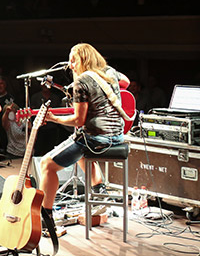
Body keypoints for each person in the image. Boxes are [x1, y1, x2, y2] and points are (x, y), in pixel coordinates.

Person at [36, 43, 130, 231]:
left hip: (96, 139)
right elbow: (126, 82)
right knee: (80, 155)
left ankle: (46, 218)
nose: (71, 65)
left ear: (84, 60)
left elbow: (78, 120)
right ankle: (100, 191)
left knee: (46, 164)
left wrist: (54, 118)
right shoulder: (109, 72)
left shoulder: (82, 82)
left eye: (74, 60)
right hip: (118, 137)